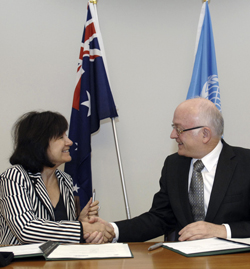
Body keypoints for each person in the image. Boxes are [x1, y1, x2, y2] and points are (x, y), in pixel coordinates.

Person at [99, 97, 250, 242]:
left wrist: (223, 230)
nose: (172, 135)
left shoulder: (245, 163)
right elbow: (159, 218)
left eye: (179, 129)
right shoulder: (174, 165)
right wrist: (112, 230)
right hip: (183, 262)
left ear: (205, 134)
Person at [0, 111, 114, 245]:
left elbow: (62, 235)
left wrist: (80, 221)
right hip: (19, 264)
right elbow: (26, 229)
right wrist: (81, 228)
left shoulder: (65, 180)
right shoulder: (14, 177)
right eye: (61, 137)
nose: (69, 142)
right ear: (39, 143)